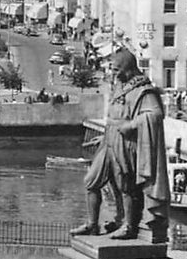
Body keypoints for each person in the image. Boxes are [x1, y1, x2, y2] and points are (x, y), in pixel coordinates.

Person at [71, 44, 171, 243]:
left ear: (127, 68)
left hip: (125, 143)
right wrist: (105, 135)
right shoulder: (120, 86)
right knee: (91, 181)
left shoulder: (144, 90)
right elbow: (114, 117)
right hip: (109, 140)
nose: (113, 73)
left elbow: (156, 115)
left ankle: (130, 226)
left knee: (126, 186)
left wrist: (132, 125)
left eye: (116, 69)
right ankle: (92, 224)